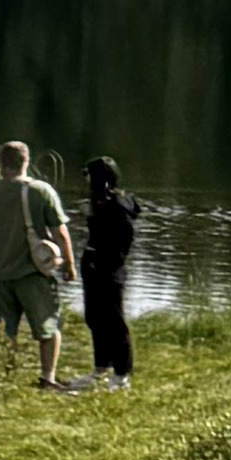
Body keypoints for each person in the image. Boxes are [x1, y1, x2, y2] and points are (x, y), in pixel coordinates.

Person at [0, 136, 75, 388]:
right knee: (47, 329)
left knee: (4, 331)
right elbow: (60, 231)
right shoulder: (40, 191)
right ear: (26, 161)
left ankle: (3, 379)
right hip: (33, 274)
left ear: (0, 163)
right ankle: (47, 377)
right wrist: (69, 264)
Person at [78, 156, 141, 392]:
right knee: (94, 317)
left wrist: (110, 260)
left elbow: (125, 239)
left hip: (110, 268)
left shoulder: (119, 204)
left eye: (89, 176)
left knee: (115, 322)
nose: (86, 181)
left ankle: (122, 375)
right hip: (93, 264)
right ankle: (100, 369)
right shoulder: (100, 202)